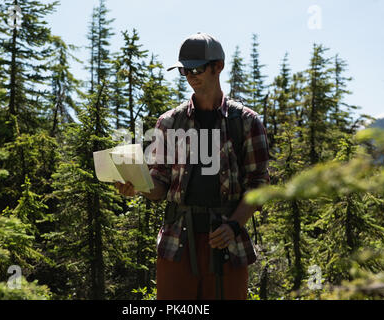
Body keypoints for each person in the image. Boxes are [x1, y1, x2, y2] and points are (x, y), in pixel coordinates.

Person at [115, 32, 270, 300]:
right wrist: (138, 186)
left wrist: (234, 226)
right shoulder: (169, 122)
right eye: (184, 70)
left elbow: (259, 186)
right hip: (177, 242)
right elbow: (159, 184)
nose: (190, 75)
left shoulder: (246, 122)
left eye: (196, 68)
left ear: (218, 67)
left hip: (226, 242)